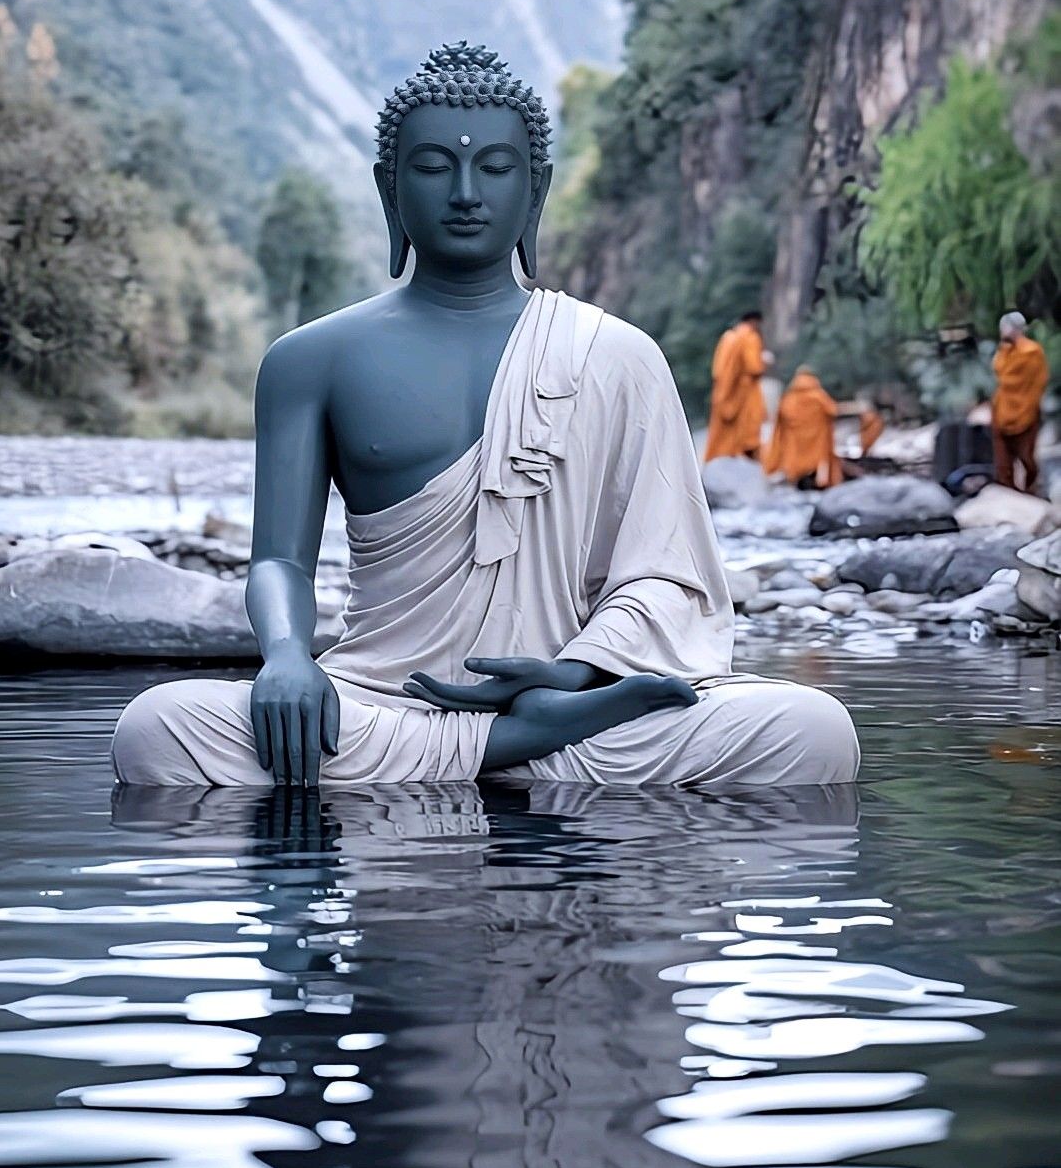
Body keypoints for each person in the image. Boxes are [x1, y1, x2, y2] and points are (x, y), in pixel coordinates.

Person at [112, 43, 858, 797]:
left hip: (565, 698)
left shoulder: (618, 355)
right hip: (384, 699)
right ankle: (515, 744)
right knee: (156, 728)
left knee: (812, 729)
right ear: (388, 190)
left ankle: (516, 731)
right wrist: (285, 658)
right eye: (434, 167)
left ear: (535, 192)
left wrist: (571, 668)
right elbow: (280, 561)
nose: (466, 192)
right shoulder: (311, 359)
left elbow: (670, 575)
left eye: (496, 168)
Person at [990, 311, 1049, 494]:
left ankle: (1031, 489)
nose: (1002, 332)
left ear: (1016, 329)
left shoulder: (1032, 352)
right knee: (1003, 460)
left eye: (1005, 328)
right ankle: (1008, 493)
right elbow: (1000, 375)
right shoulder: (1004, 352)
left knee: (1026, 457)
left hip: (1025, 411)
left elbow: (1033, 381)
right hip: (1002, 412)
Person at [763, 365, 843, 489]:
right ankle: (820, 482)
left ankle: (793, 482)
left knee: (794, 469)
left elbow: (780, 417)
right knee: (819, 464)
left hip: (795, 445)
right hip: (817, 443)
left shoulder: (789, 398)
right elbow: (833, 410)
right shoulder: (819, 396)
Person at [704, 311, 770, 462]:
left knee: (724, 433)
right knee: (749, 429)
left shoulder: (727, 338)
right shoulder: (750, 338)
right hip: (745, 392)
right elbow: (754, 367)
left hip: (725, 391)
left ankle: (720, 459)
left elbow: (718, 369)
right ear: (754, 321)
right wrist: (763, 361)